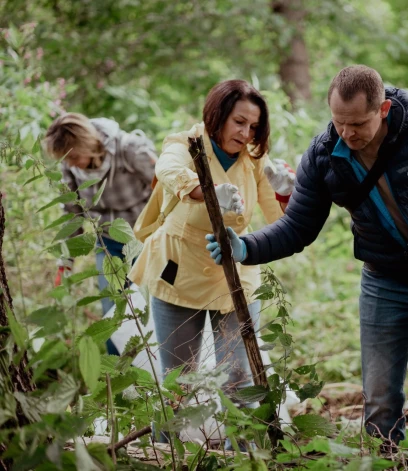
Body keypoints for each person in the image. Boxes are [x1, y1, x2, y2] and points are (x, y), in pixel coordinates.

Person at [206, 65, 408, 449]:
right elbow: (297, 227)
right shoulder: (323, 156)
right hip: (386, 282)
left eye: (357, 124)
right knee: (380, 398)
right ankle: (385, 458)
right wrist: (246, 247)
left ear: (382, 110)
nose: (346, 133)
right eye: (338, 122)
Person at [127, 80, 295, 447]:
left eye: (253, 126)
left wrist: (288, 190)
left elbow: (279, 218)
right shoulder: (185, 145)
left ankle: (246, 455)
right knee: (178, 380)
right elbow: (169, 170)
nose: (246, 133)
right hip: (178, 270)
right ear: (217, 114)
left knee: (238, 377)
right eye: (239, 122)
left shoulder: (253, 159)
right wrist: (206, 191)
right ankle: (161, 452)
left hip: (234, 272)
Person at [44, 112, 157, 354]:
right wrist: (65, 262)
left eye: (74, 156)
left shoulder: (129, 150)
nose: (71, 163)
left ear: (86, 143)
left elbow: (166, 188)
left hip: (148, 241)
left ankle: (163, 379)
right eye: (67, 159)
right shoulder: (71, 166)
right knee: (113, 314)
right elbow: (73, 214)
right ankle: (122, 378)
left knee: (154, 309)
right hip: (108, 244)